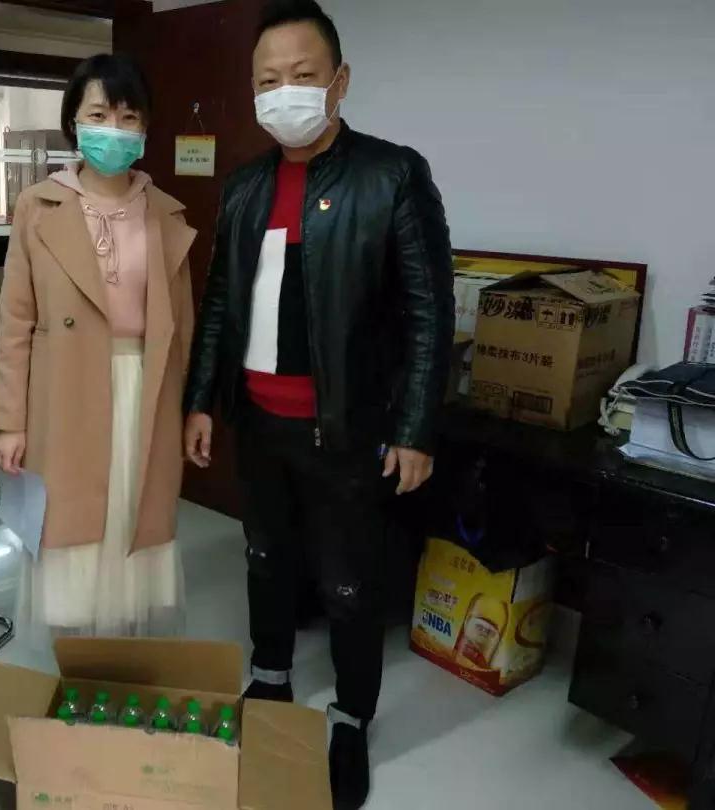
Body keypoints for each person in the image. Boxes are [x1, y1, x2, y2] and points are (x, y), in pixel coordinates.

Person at [183, 1, 454, 807]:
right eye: (268, 80)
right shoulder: (245, 185)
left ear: (339, 82)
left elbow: (430, 312)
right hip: (258, 419)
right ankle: (269, 676)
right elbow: (221, 303)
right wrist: (202, 400)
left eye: (303, 75)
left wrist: (415, 428)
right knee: (265, 556)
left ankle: (350, 715)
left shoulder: (390, 174)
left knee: (348, 583)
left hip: (347, 427)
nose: (285, 93)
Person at [0, 53, 197, 638]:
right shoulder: (38, 206)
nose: (114, 129)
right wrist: (8, 421)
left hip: (144, 387)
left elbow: (183, 326)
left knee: (133, 511)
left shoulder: (166, 213)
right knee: (74, 517)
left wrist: (191, 411)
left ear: (145, 128)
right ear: (74, 122)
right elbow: (14, 321)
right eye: (100, 114)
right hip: (66, 386)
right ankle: (78, 646)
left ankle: (121, 643)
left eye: (129, 117)